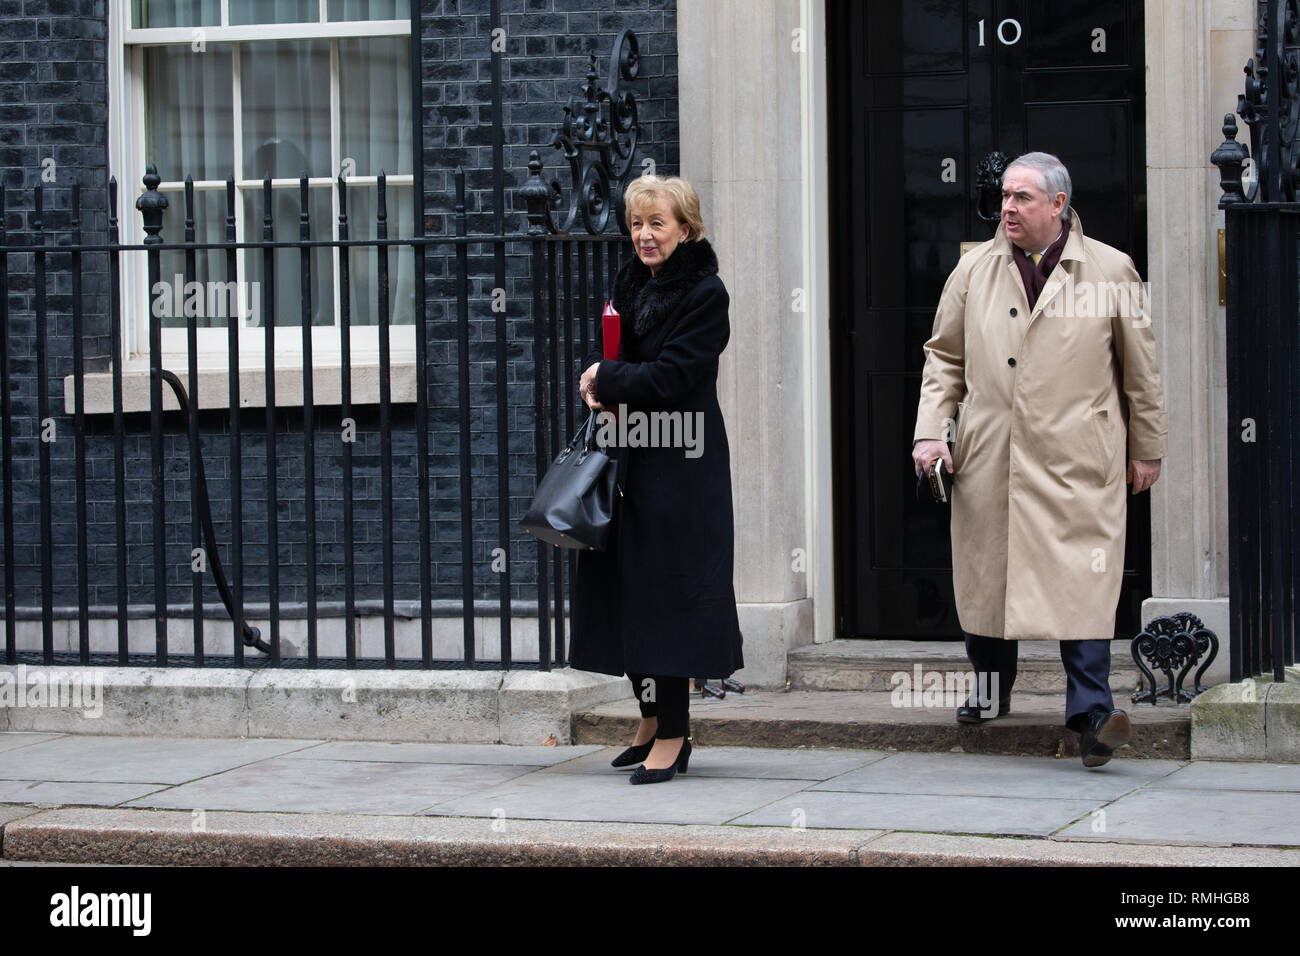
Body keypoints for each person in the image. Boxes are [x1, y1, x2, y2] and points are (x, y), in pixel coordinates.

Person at [911, 151, 1167, 768]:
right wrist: (930, 433)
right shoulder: (974, 270)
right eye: (1004, 196)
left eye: (1022, 198)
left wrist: (1147, 448)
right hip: (992, 450)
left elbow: (1141, 371)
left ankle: (1093, 713)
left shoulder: (1112, 270)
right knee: (987, 572)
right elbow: (943, 357)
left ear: (1058, 204)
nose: (1008, 208)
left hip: (1079, 454)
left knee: (1084, 578)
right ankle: (991, 686)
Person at [569, 174, 744, 785]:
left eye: (657, 224)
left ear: (685, 229)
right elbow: (619, 364)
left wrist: (604, 379)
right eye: (638, 224)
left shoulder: (705, 293)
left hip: (681, 470)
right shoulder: (629, 285)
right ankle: (648, 718)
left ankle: (675, 733)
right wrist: (601, 384)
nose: (644, 235)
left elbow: (672, 377)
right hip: (631, 459)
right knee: (629, 593)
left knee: (669, 598)